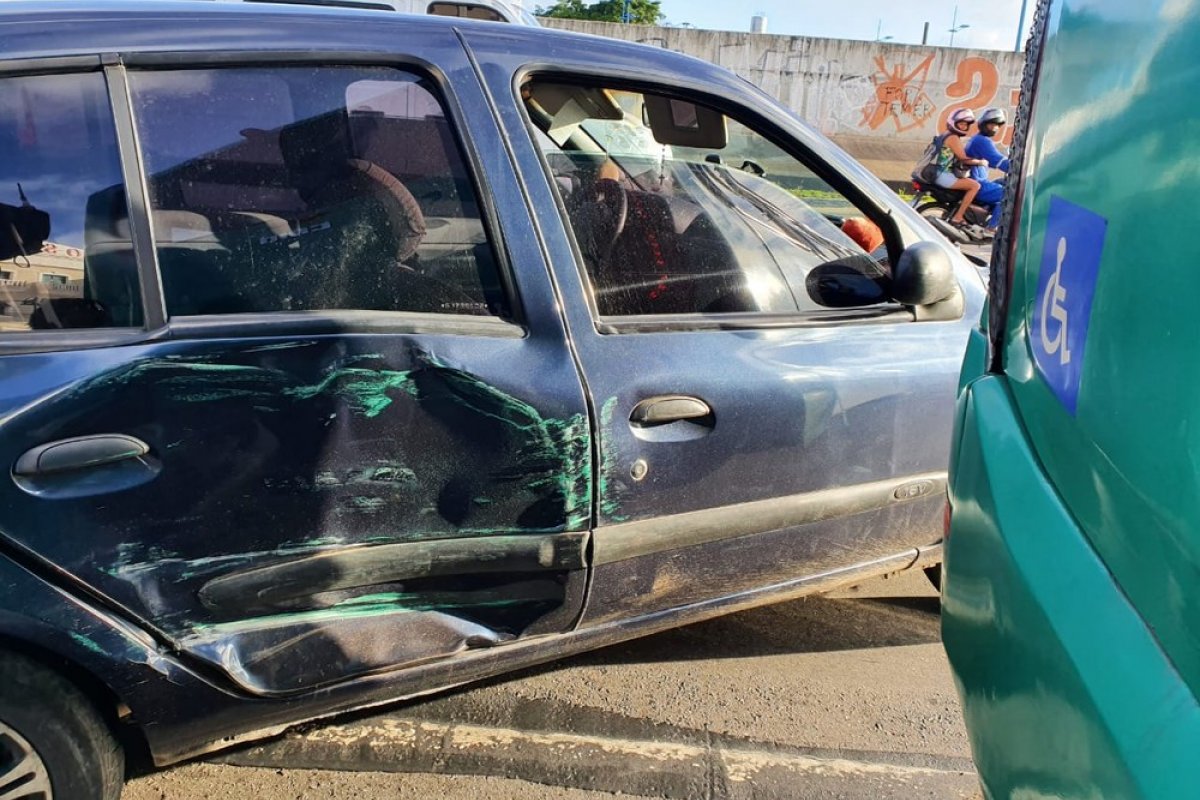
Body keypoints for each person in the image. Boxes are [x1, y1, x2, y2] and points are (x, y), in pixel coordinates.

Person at [929, 108, 992, 240]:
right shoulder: (953, 138)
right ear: (954, 122)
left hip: (938, 173)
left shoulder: (945, 134)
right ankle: (958, 217)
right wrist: (981, 162)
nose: (963, 127)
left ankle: (959, 213)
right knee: (975, 186)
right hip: (943, 175)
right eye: (961, 123)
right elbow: (963, 158)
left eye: (965, 124)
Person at [964, 107, 1010, 232]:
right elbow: (997, 160)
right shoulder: (982, 141)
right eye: (992, 125)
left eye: (996, 126)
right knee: (1009, 194)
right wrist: (1017, 167)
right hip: (979, 184)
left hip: (978, 180)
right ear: (983, 124)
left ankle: (986, 214)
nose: (994, 128)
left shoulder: (977, 139)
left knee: (1003, 182)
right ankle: (991, 228)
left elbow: (990, 160)